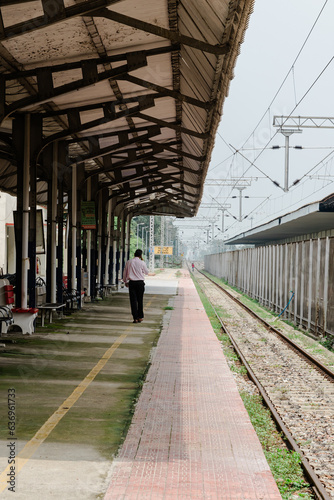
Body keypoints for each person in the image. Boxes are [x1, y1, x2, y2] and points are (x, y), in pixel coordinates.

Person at [123, 249, 149, 323]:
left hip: (132, 283)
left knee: (133, 301)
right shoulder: (142, 262)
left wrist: (125, 281)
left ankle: (135, 318)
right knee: (140, 300)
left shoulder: (129, 262)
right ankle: (140, 317)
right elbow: (146, 272)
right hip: (140, 283)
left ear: (134, 254)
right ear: (141, 255)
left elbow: (125, 272)